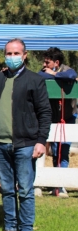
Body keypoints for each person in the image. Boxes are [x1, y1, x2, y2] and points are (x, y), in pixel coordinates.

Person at [0, 38, 52, 231]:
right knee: (7, 188)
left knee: (25, 190)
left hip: (26, 145)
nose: (12, 57)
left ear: (25, 55)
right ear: (4, 55)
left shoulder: (35, 80)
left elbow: (45, 113)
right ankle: (10, 227)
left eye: (17, 53)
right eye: (9, 53)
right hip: (0, 144)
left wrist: (41, 141)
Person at [38, 47, 78, 198]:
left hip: (67, 117)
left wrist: (54, 74)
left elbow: (71, 75)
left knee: (64, 149)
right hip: (51, 117)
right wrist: (55, 76)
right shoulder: (43, 71)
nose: (44, 64)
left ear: (56, 62)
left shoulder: (66, 69)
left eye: (47, 62)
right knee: (51, 149)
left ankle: (61, 184)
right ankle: (49, 182)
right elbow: (40, 77)